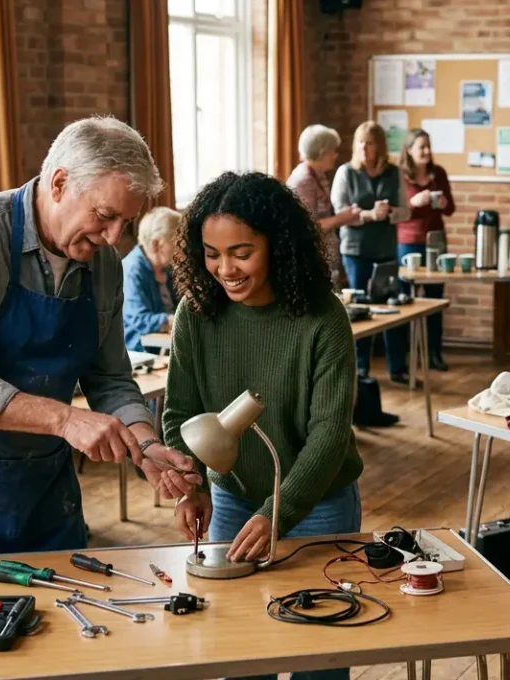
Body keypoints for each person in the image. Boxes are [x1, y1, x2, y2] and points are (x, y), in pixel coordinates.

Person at [0, 117, 199, 559]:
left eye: (125, 223)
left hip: (39, 478)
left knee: (61, 615)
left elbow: (108, 377)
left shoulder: (103, 262)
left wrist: (144, 444)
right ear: (59, 183)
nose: (113, 238)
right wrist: (67, 420)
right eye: (105, 216)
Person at [166, 173, 361, 680]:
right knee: (240, 649)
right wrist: (190, 484)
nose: (224, 269)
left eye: (241, 252)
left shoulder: (323, 318)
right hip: (231, 496)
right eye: (210, 253)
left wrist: (280, 511)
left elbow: (329, 435)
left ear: (279, 246)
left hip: (316, 504)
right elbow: (178, 413)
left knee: (318, 657)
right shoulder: (196, 312)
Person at [332, 121, 411, 382]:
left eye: (369, 142)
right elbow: (339, 211)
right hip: (356, 250)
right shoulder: (346, 172)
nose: (364, 147)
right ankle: (361, 368)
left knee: (392, 308)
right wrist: (368, 215)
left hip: (386, 250)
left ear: (380, 146)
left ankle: (397, 367)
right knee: (361, 308)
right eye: (360, 142)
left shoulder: (393, 172)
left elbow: (406, 211)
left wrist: (389, 213)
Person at [395, 128, 455, 371]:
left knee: (434, 302)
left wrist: (442, 203)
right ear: (409, 150)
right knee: (404, 302)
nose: (427, 152)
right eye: (422, 147)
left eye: (429, 146)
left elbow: (450, 209)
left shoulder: (438, 173)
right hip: (407, 242)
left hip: (435, 243)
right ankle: (402, 360)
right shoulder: (399, 176)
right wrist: (413, 203)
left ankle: (434, 355)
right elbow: (396, 212)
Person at [287, 124, 361, 282]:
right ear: (321, 152)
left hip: (323, 259)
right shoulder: (303, 180)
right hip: (311, 261)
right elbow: (309, 227)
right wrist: (342, 218)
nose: (335, 155)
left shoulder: (318, 175)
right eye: (332, 150)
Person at [122, 206, 182, 352]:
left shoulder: (167, 267)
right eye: (176, 242)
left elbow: (179, 305)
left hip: (166, 345)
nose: (180, 249)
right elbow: (138, 319)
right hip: (141, 350)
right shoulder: (133, 269)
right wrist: (176, 321)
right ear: (156, 244)